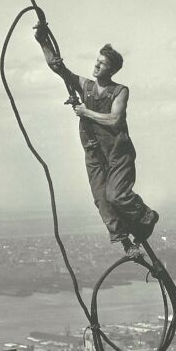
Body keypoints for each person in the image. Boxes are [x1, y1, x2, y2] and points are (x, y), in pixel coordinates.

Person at [35, 23, 159, 255]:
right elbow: (59, 70)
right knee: (102, 200)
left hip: (117, 153)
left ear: (111, 69)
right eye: (97, 60)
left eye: (102, 63)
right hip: (93, 151)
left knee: (117, 196)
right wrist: (43, 41)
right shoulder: (87, 87)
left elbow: (115, 121)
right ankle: (127, 244)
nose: (96, 65)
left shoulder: (120, 91)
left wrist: (86, 112)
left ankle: (145, 215)